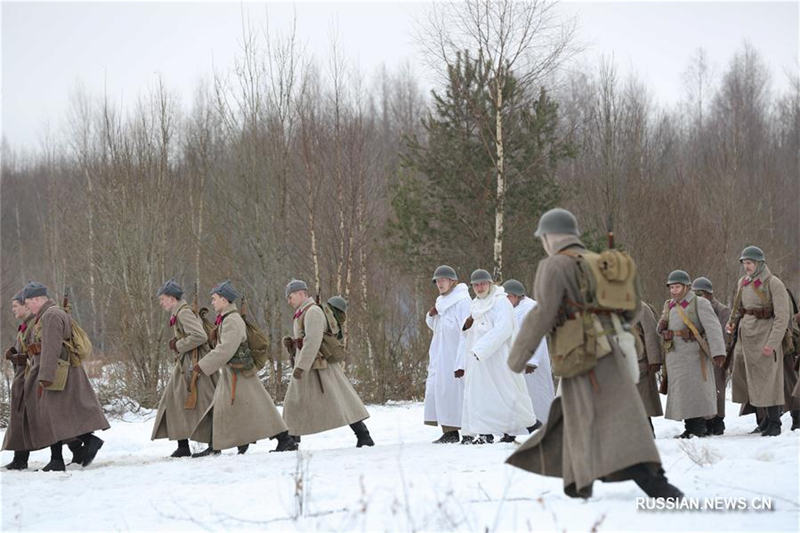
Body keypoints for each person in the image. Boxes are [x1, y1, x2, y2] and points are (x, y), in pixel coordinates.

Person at [505, 208, 682, 500]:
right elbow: (634, 308)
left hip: (579, 355)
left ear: (551, 237)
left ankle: (655, 483)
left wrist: (517, 357)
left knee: (611, 418)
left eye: (544, 238)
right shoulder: (598, 261)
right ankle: (578, 482)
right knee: (578, 416)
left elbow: (542, 313)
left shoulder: (554, 266)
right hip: (608, 350)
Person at [190, 280, 294, 456]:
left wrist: (202, 365)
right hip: (233, 373)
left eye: (215, 299)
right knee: (230, 408)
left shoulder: (232, 320)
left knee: (258, 408)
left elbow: (226, 349)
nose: (213, 302)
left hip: (239, 374)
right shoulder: (227, 319)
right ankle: (218, 445)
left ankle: (285, 439)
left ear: (224, 300)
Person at [22, 281, 109, 471]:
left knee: (54, 415)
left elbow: (51, 348)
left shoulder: (51, 315)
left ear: (37, 299)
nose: (26, 305)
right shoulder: (46, 315)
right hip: (56, 371)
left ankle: (62, 457)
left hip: (56, 373)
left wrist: (45, 376)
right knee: (56, 416)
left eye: (28, 301)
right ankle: (72, 451)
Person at [283, 280, 373, 447]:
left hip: (318, 365)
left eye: (291, 296)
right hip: (312, 364)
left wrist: (301, 366)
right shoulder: (303, 313)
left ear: (302, 294)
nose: (289, 300)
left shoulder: (312, 312)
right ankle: (290, 439)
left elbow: (313, 341)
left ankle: (363, 435)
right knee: (295, 402)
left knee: (341, 400)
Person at [455, 269, 536, 444]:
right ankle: (484, 432)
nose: (479, 287)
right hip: (478, 361)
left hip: (498, 358)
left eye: (483, 283)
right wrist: (467, 328)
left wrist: (481, 349)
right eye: (476, 284)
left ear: (490, 284)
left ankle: (530, 426)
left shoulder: (501, 302)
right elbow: (475, 330)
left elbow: (504, 328)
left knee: (508, 393)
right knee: (481, 396)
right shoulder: (476, 303)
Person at [726, 246, 791, 436]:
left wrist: (772, 343)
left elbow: (782, 317)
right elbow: (738, 308)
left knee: (769, 379)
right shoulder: (743, 283)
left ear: (759, 263)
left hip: (766, 334)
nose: (746, 267)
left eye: (750, 263)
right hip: (747, 336)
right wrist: (731, 323)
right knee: (751, 379)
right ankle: (762, 421)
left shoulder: (774, 283)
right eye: (744, 263)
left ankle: (774, 423)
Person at [150, 279, 217, 457]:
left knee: (205, 402)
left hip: (193, 363)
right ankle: (183, 445)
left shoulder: (183, 313)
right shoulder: (180, 312)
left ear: (172, 299)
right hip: (187, 362)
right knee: (174, 401)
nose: (161, 303)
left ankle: (213, 444)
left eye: (163, 299)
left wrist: (178, 345)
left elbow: (199, 336)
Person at [657, 271, 726, 438]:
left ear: (686, 287)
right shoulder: (669, 305)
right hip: (675, 355)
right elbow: (661, 328)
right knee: (683, 394)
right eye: (671, 287)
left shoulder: (699, 303)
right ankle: (691, 427)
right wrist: (663, 329)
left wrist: (718, 352)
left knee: (695, 393)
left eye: (677, 287)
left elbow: (713, 327)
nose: (674, 290)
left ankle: (697, 428)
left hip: (694, 355)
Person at [424, 266, 470, 443]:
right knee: (442, 391)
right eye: (437, 281)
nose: (440, 284)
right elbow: (437, 327)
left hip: (455, 354)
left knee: (458, 392)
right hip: (441, 353)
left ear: (452, 281)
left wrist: (462, 360)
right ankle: (449, 431)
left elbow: (466, 330)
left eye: (443, 280)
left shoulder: (462, 301)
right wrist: (431, 314)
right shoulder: (441, 301)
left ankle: (466, 429)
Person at [503, 278, 553, 432]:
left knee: (537, 394)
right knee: (519, 395)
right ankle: (523, 427)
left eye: (509, 296)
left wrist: (533, 361)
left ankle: (544, 424)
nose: (507, 300)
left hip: (532, 362)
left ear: (518, 296)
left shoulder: (531, 308)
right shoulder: (510, 310)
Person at [691, 277, 731, 435]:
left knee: (717, 389)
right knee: (704, 389)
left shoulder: (722, 310)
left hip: (717, 354)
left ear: (708, 294)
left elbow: (723, 334)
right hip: (700, 354)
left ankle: (718, 421)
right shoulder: (696, 308)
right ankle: (706, 421)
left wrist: (718, 353)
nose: (698, 296)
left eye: (700, 293)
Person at [2, 290, 35, 469]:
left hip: (29, 378)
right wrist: (13, 353)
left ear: (26, 305)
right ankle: (20, 458)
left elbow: (35, 352)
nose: (13, 309)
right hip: (22, 378)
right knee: (21, 417)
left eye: (16, 306)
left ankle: (81, 444)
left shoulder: (33, 325)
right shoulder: (24, 326)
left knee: (31, 417)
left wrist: (20, 357)